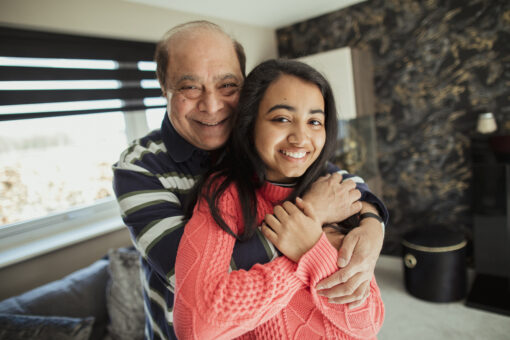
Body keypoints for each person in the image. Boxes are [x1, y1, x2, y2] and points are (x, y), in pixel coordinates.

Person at [112, 20, 388, 340]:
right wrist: (311, 227)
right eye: (190, 87)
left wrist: (372, 222)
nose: (212, 105)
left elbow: (328, 173)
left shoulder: (256, 138)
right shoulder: (139, 167)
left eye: (227, 85)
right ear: (164, 87)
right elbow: (193, 280)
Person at [174, 58, 384, 339]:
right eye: (282, 119)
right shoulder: (224, 196)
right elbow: (196, 326)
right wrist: (303, 254)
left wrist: (365, 224)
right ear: (250, 124)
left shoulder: (335, 192)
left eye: (314, 121)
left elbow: (368, 324)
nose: (300, 138)